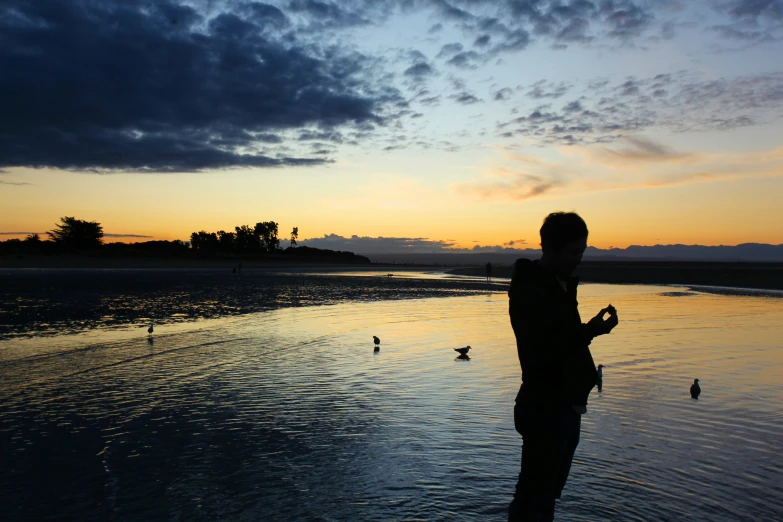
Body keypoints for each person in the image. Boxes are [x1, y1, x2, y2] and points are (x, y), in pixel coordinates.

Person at [507, 212, 619, 521]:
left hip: (565, 404)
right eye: (573, 252)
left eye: (582, 251)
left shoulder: (558, 285)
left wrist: (587, 329)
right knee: (534, 496)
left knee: (544, 494)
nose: (579, 259)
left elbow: (563, 338)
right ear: (549, 248)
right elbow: (546, 348)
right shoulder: (533, 289)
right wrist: (590, 331)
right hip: (545, 406)